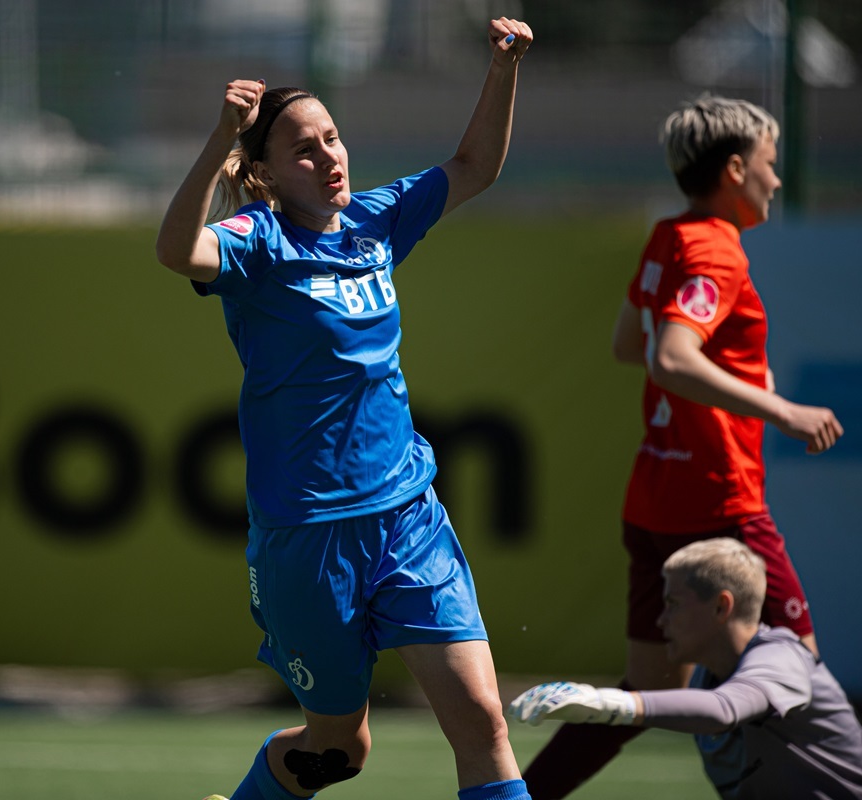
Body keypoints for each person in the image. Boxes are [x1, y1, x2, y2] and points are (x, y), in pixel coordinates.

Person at [154, 16, 534, 800]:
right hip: (308, 535)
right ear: (262, 170)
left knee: (482, 722)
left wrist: (502, 71)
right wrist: (217, 137)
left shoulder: (376, 219)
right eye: (305, 148)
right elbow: (173, 251)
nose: (329, 157)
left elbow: (474, 167)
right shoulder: (255, 241)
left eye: (333, 137)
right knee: (339, 749)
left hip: (407, 514)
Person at [520, 95, 845, 798]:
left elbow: (625, 343)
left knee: (650, 685)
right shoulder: (714, 250)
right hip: (719, 503)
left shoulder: (671, 235)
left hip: (655, 499)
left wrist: (720, 378)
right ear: (734, 169)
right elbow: (669, 356)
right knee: (800, 680)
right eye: (769, 164)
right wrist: (779, 408)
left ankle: (515, 797)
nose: (777, 180)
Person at [509, 538, 862, 799]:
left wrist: (607, 704)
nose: (661, 620)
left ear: (721, 607)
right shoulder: (705, 679)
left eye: (673, 604)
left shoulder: (781, 657)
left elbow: (725, 710)